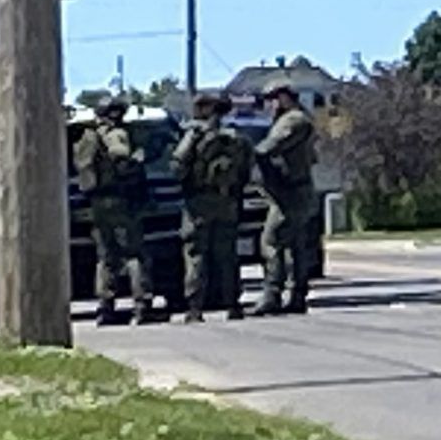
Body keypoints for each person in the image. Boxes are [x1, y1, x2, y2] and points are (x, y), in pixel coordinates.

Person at [170, 94, 250, 323]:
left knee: (196, 255)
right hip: (227, 202)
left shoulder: (194, 134)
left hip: (198, 204)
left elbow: (177, 166)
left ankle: (195, 307)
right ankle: (233, 304)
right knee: (227, 255)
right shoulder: (235, 136)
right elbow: (246, 170)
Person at [74, 97, 154, 325]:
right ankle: (141, 305)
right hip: (122, 202)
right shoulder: (119, 134)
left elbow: (82, 168)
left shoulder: (89, 137)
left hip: (99, 203)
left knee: (106, 257)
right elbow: (125, 157)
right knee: (134, 254)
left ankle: (106, 306)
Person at [249, 84, 319, 316]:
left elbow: (270, 148)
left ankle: (272, 294)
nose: (269, 104)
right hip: (291, 192)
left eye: (272, 99)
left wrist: (249, 155)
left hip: (292, 193)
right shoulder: (292, 120)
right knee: (295, 245)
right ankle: (297, 294)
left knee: (271, 241)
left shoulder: (294, 120)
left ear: (284, 97)